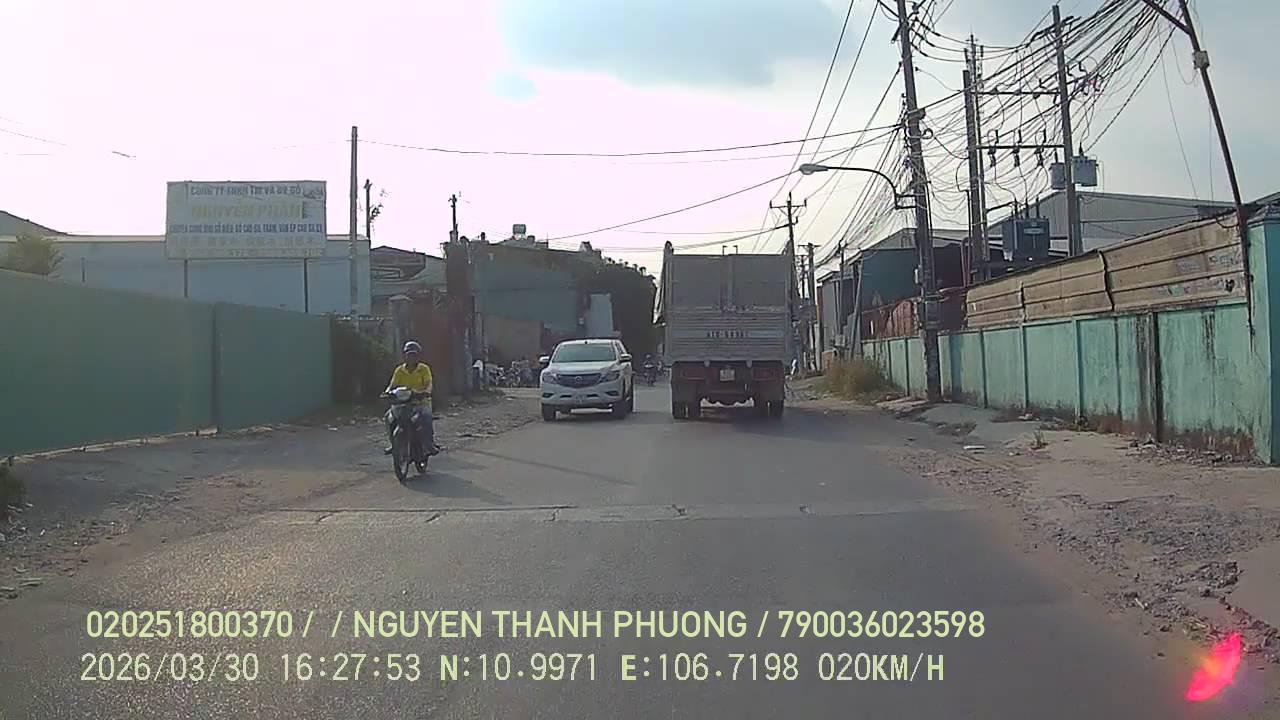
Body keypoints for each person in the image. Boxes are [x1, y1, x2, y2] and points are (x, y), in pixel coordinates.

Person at [384, 341, 438, 456]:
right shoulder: (399, 370)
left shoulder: (424, 369)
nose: (411, 358)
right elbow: (392, 385)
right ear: (405, 356)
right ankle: (393, 443)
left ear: (418, 356)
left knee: (426, 418)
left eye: (414, 355)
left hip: (420, 402)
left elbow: (429, 384)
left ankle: (429, 445)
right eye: (409, 355)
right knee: (388, 417)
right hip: (402, 403)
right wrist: (387, 392)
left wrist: (426, 392)